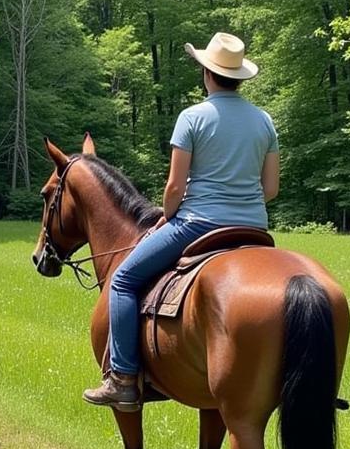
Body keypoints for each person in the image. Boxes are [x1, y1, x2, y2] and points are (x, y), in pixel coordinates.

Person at [84, 32, 280, 408]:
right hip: (254, 229)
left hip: (197, 223)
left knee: (123, 279)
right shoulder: (264, 121)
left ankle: (123, 378)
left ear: (207, 74)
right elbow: (270, 188)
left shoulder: (192, 117)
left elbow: (174, 188)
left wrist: (166, 218)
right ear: (239, 77)